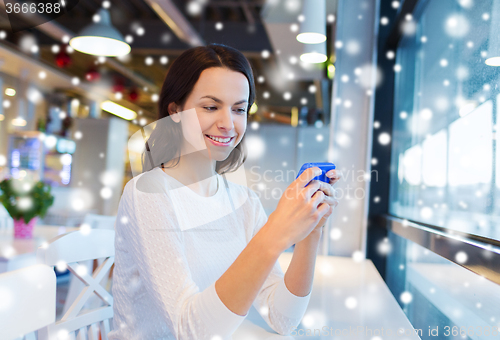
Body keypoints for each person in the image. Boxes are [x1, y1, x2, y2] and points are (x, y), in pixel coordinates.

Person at [108, 43, 340, 340]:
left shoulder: (244, 202)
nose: (228, 124)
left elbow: (282, 319)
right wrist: (276, 234)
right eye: (210, 107)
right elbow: (190, 330)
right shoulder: (147, 194)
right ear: (176, 111)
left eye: (239, 109)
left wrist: (310, 233)